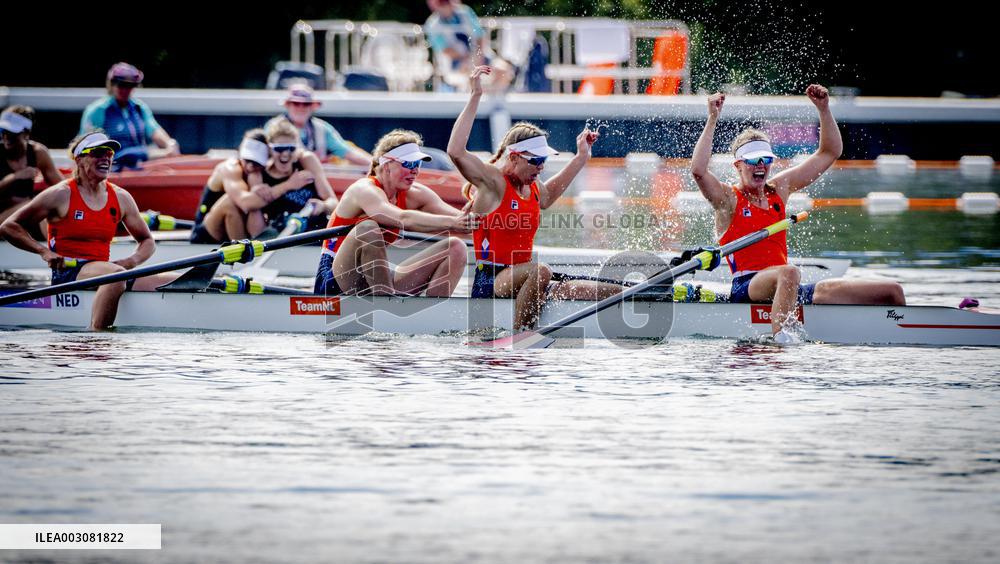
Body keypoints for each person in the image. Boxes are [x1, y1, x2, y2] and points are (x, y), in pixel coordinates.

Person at [690, 85, 905, 342]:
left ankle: (903, 330)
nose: (761, 166)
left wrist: (824, 110)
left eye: (766, 160)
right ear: (738, 165)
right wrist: (712, 119)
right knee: (789, 271)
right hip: (748, 286)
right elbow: (699, 171)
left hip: (787, 286)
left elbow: (829, 152)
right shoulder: (728, 200)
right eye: (753, 160)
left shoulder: (779, 189)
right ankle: (782, 339)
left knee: (891, 292)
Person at [447, 66, 622, 329]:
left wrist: (581, 157)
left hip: (526, 278)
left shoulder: (531, 185)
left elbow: (550, 194)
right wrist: (475, 96)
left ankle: (650, 297)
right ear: (515, 158)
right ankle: (522, 335)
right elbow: (456, 151)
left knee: (608, 290)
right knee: (541, 270)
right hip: (492, 280)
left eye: (544, 160)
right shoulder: (493, 182)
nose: (541, 167)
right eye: (536, 160)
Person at [0, 131, 177, 330]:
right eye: (98, 153)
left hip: (104, 271)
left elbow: (147, 240)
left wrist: (131, 261)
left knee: (177, 280)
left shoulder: (121, 197)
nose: (106, 158)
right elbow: (9, 227)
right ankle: (96, 337)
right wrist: (44, 252)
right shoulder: (60, 194)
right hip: (68, 272)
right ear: (80, 159)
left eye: (109, 153)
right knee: (116, 277)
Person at [314, 129, 476, 297]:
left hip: (375, 281)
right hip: (334, 280)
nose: (415, 170)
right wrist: (452, 223)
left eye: (417, 164)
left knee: (456, 246)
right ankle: (387, 305)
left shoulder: (417, 194)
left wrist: (482, 220)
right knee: (368, 229)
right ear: (386, 165)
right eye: (408, 164)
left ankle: (434, 312)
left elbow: (461, 219)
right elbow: (402, 218)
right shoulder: (364, 190)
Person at [80, 62, 180, 170]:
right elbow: (86, 146)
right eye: (121, 85)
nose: (125, 90)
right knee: (128, 155)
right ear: (112, 84)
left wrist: (169, 144)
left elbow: (154, 130)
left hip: (138, 167)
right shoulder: (98, 111)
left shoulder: (139, 108)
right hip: (111, 168)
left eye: (130, 86)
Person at [189, 129, 270, 243]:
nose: (250, 167)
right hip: (205, 233)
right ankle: (245, 253)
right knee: (230, 203)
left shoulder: (267, 171)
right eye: (247, 160)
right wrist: (283, 188)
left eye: (256, 163)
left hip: (232, 232)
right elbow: (245, 203)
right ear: (240, 154)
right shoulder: (230, 168)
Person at [266, 82, 371, 165]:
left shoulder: (322, 128)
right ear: (287, 105)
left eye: (306, 104)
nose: (301, 108)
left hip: (316, 182)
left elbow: (348, 152)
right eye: (296, 103)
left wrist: (375, 165)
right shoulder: (274, 127)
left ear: (312, 106)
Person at [424, 0, 512, 92]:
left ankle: (489, 99)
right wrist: (470, 59)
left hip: (480, 56)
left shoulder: (465, 12)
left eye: (447, 2)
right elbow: (445, 50)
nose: (445, 5)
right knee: (470, 72)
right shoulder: (432, 25)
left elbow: (480, 36)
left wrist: (478, 56)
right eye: (441, 2)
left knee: (503, 70)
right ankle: (475, 98)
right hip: (455, 63)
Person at [0, 106, 64, 231]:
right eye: (3, 131)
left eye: (12, 133)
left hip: (23, 217)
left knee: (53, 205)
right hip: (3, 218)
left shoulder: (38, 152)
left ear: (26, 133)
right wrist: (14, 177)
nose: (6, 137)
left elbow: (61, 187)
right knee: (40, 203)